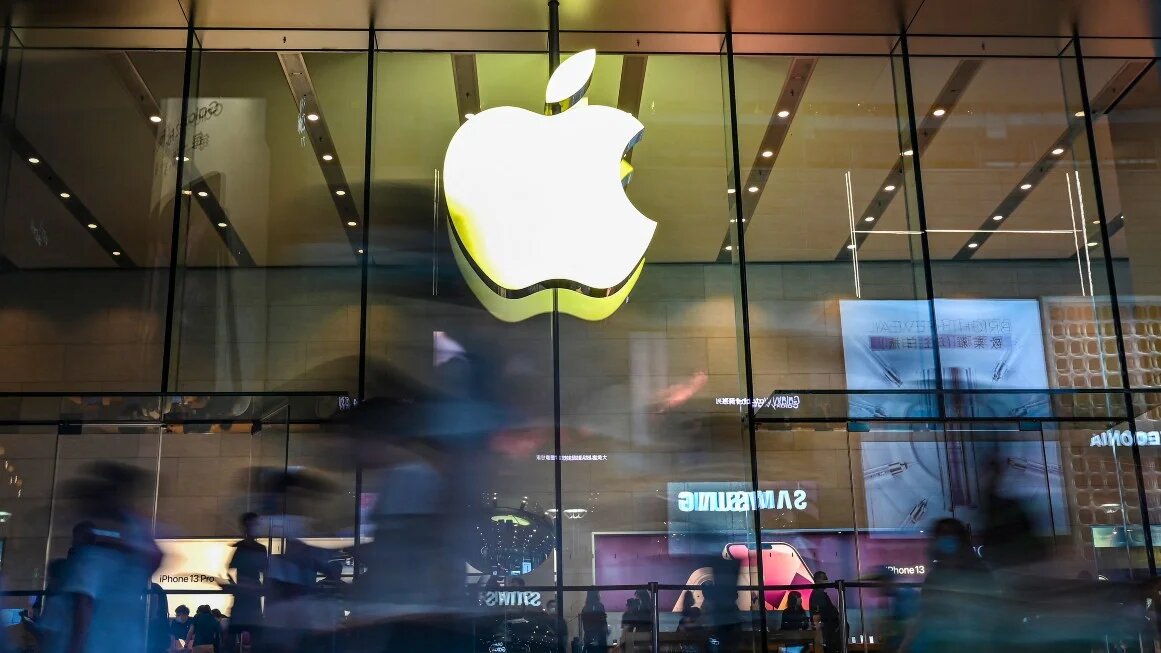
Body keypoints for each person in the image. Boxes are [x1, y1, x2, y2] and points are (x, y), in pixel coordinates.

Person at [900, 518, 996, 653]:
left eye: (949, 534)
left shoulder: (979, 572)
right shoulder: (934, 576)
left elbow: (990, 615)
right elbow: (923, 614)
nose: (944, 539)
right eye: (940, 535)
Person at [226, 513, 266, 653]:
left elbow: (229, 570)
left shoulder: (248, 548)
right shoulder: (247, 548)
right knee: (251, 630)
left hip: (247, 594)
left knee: (240, 631)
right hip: (247, 594)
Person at [809, 571, 841, 653]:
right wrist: (821, 638)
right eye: (825, 578)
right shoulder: (818, 595)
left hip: (829, 634)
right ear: (819, 580)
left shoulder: (820, 594)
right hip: (827, 636)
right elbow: (817, 617)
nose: (827, 580)